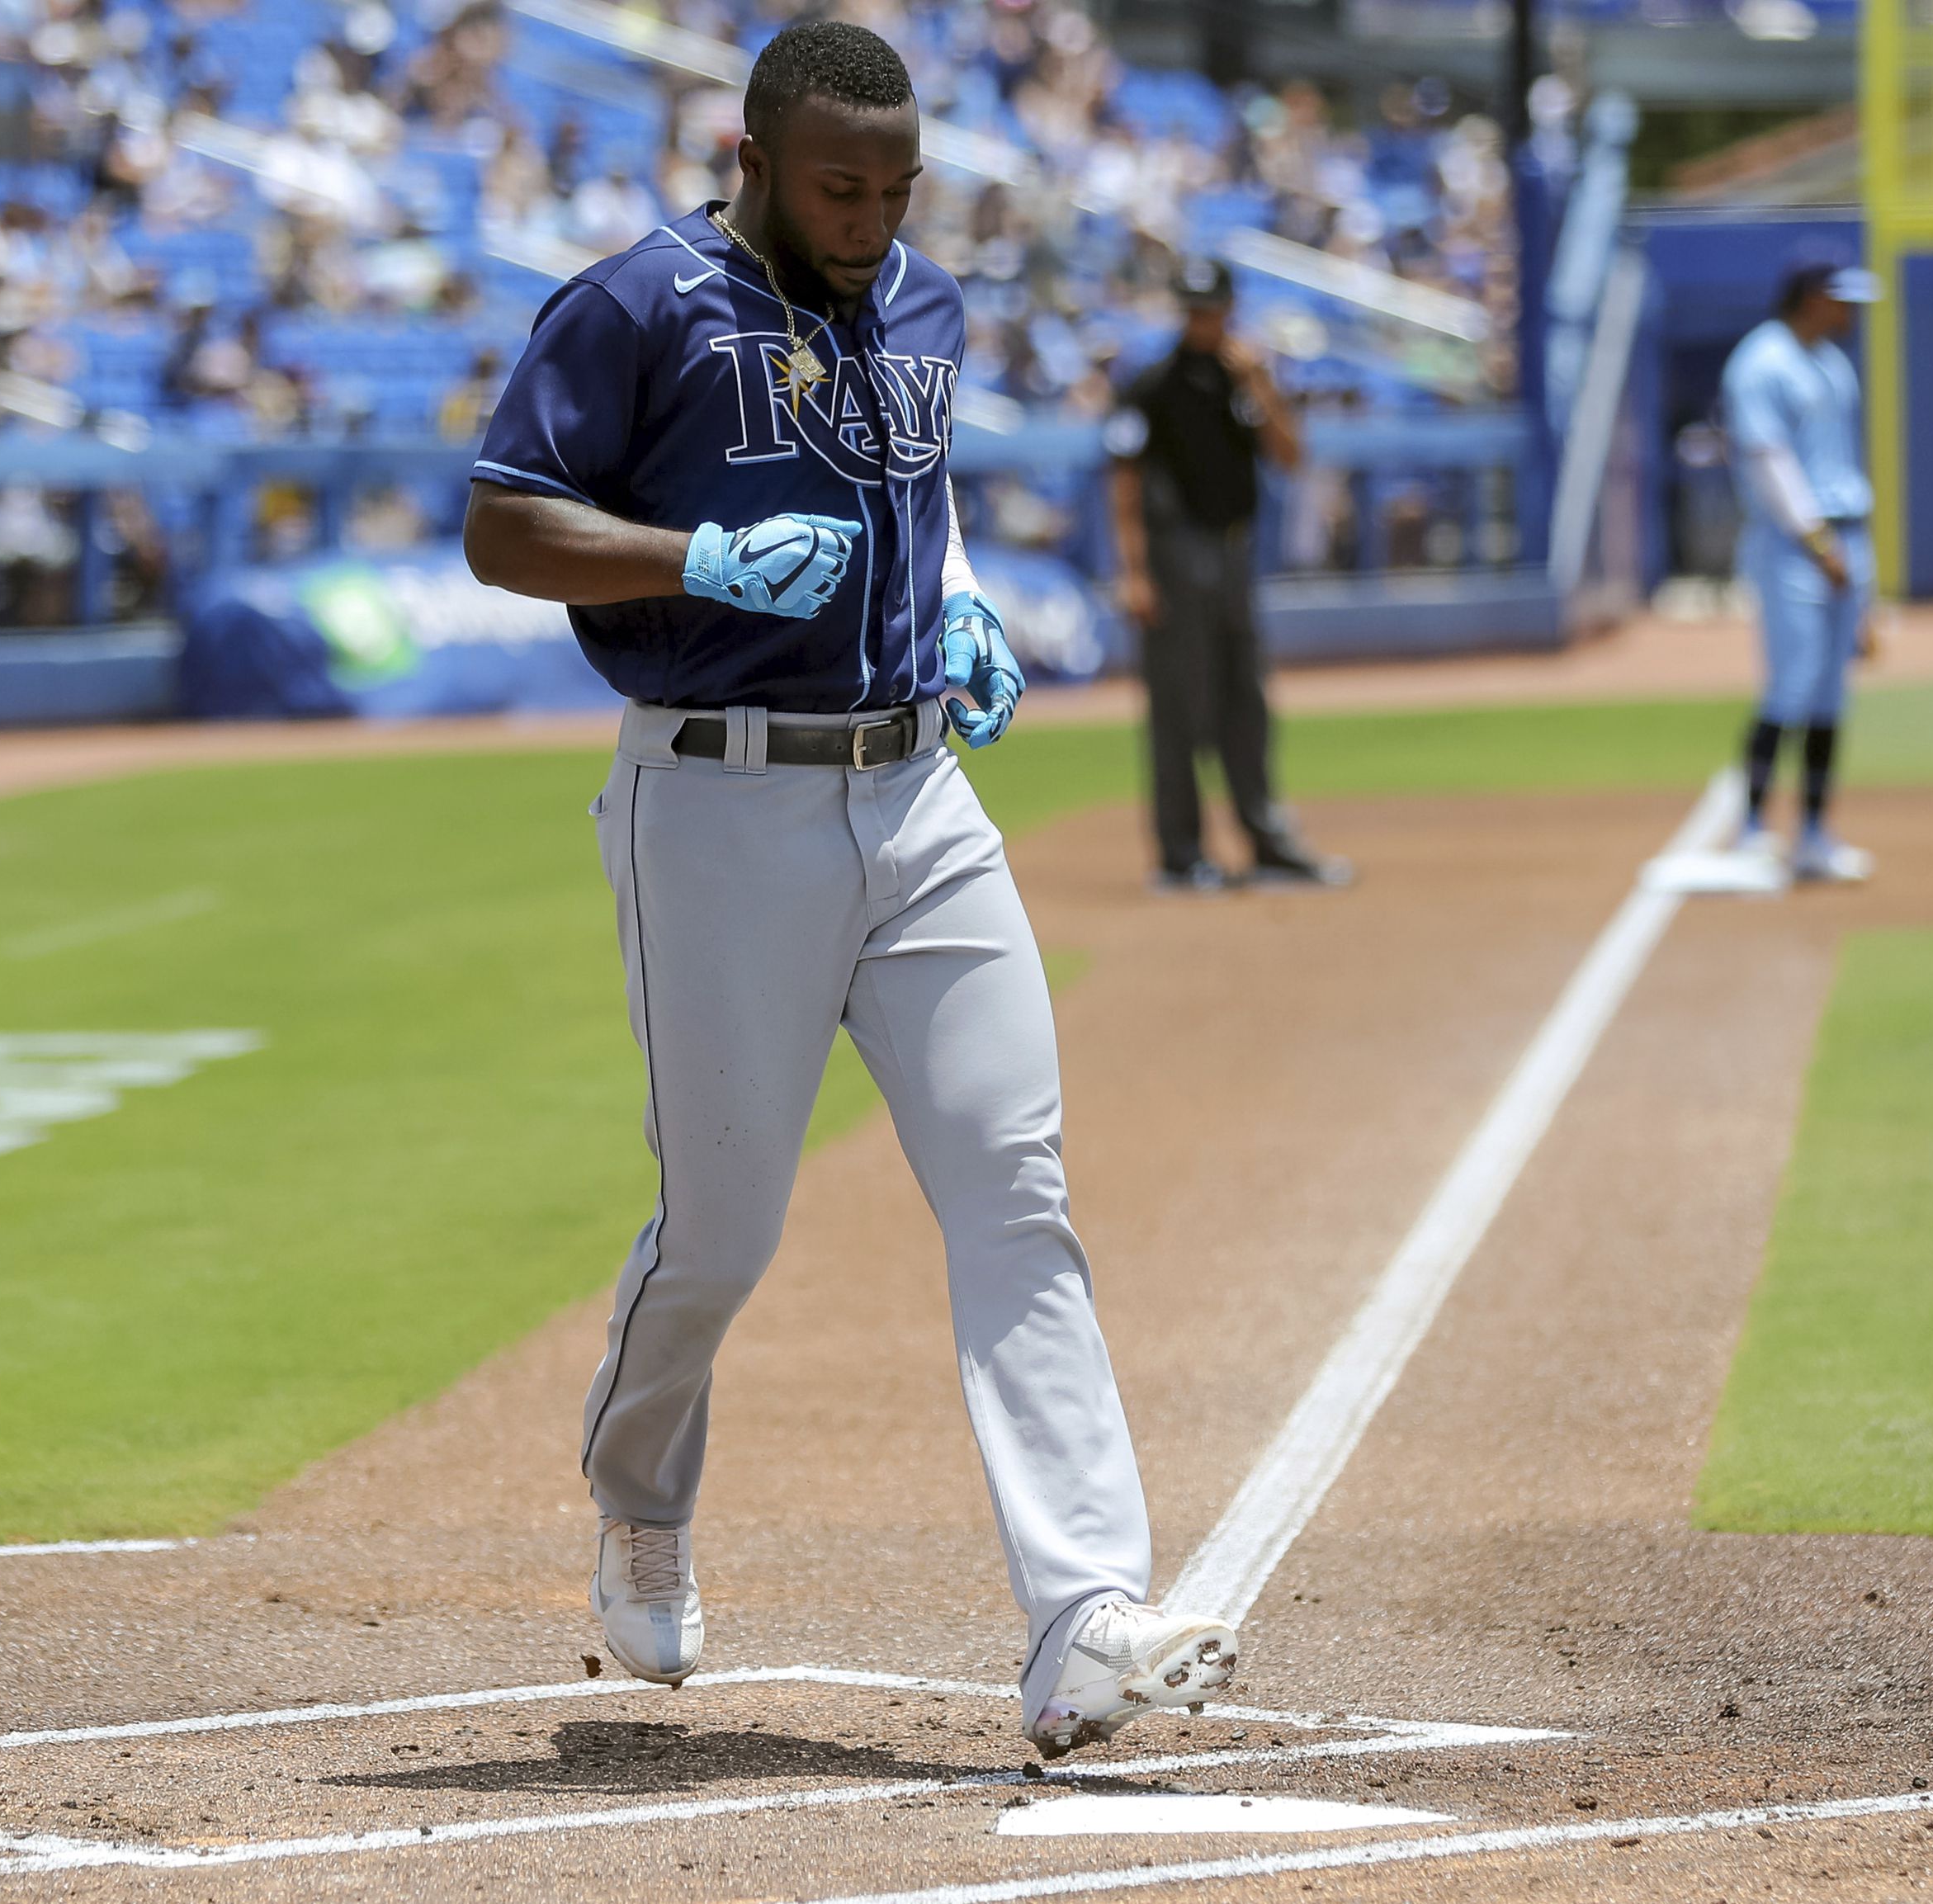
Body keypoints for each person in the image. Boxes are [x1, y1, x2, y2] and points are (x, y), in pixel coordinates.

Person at [461, 19, 1236, 1760]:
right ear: (751, 159)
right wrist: (692, 554)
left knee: (1015, 1191)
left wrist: (953, 593)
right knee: (724, 1233)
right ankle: (640, 1489)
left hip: (919, 792)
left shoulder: (924, 302)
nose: (874, 215)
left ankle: (1083, 1616)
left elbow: (919, 479)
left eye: (896, 185)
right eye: (840, 186)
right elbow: (502, 524)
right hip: (719, 804)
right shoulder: (637, 304)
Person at [1106, 259, 1349, 894]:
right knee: (1179, 707)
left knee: (1246, 700)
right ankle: (1181, 856)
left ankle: (1266, 841)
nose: (1202, 321)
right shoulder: (1151, 385)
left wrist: (1260, 384)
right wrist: (1133, 573)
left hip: (1235, 554)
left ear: (1229, 310)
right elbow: (1125, 485)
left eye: (1210, 309)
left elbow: (1291, 457)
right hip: (1174, 556)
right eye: (1191, 309)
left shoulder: (1245, 380)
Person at [1722, 256, 1879, 883]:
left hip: (1846, 538)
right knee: (1791, 685)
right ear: (1812, 297)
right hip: (1798, 544)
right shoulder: (1762, 361)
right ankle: (1754, 828)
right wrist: (1818, 542)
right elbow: (1770, 461)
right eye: (1843, 299)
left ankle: (1814, 832)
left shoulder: (1832, 363)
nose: (1853, 313)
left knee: (1830, 695)